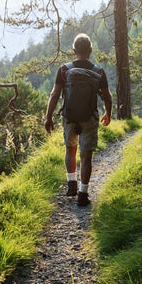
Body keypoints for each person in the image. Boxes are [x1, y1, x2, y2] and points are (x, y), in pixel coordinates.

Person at [44, 33, 113, 207]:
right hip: (89, 117)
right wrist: (108, 113)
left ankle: (71, 184)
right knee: (86, 155)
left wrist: (48, 117)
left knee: (70, 149)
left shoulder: (63, 70)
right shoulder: (99, 71)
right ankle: (83, 193)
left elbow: (54, 95)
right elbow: (107, 96)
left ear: (74, 50)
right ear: (90, 50)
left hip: (69, 117)